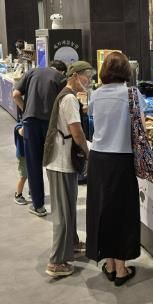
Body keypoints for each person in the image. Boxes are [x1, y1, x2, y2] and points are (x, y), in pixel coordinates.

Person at [86, 52, 144, 286]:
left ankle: (109, 264)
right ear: (126, 71)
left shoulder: (96, 94)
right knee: (122, 213)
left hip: (98, 159)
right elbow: (140, 126)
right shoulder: (132, 94)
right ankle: (121, 269)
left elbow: (91, 115)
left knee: (102, 210)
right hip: (121, 159)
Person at [42, 61, 94, 277]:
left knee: (69, 207)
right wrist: (88, 152)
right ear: (74, 76)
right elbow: (76, 131)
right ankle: (56, 261)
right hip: (61, 161)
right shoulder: (70, 98)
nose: (88, 81)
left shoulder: (66, 96)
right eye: (86, 76)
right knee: (63, 213)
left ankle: (72, 243)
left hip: (63, 160)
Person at [12, 62, 66, 217]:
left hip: (31, 123)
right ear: (62, 71)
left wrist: (26, 110)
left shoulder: (32, 72)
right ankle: (59, 203)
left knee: (33, 165)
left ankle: (38, 206)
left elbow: (15, 95)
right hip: (50, 124)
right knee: (54, 162)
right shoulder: (60, 78)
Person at [13, 121, 29, 205]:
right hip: (22, 155)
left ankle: (32, 191)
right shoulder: (19, 125)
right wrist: (27, 122)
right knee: (23, 176)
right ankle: (18, 195)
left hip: (30, 154)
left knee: (33, 173)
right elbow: (22, 132)